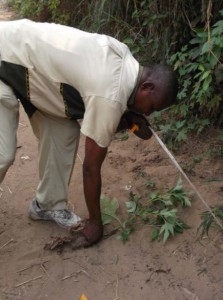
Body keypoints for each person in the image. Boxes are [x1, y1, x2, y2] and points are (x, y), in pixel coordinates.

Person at [0, 19, 178, 247]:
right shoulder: (111, 94)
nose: (149, 112)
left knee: (63, 131)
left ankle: (46, 206)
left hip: (36, 75)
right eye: (152, 106)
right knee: (3, 154)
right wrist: (95, 222)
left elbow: (100, 109)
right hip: (6, 57)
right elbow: (91, 167)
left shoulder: (124, 58)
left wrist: (131, 123)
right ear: (147, 87)